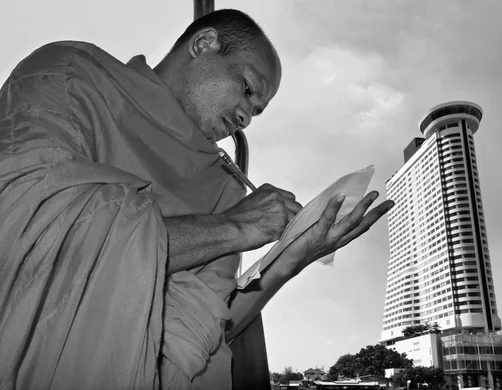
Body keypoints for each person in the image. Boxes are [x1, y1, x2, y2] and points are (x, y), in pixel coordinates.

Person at [0, 8, 394, 390]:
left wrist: (292, 257)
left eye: (256, 112)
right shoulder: (70, 74)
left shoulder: (224, 185)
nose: (246, 119)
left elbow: (205, 333)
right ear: (203, 44)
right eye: (246, 89)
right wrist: (235, 227)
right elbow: (28, 234)